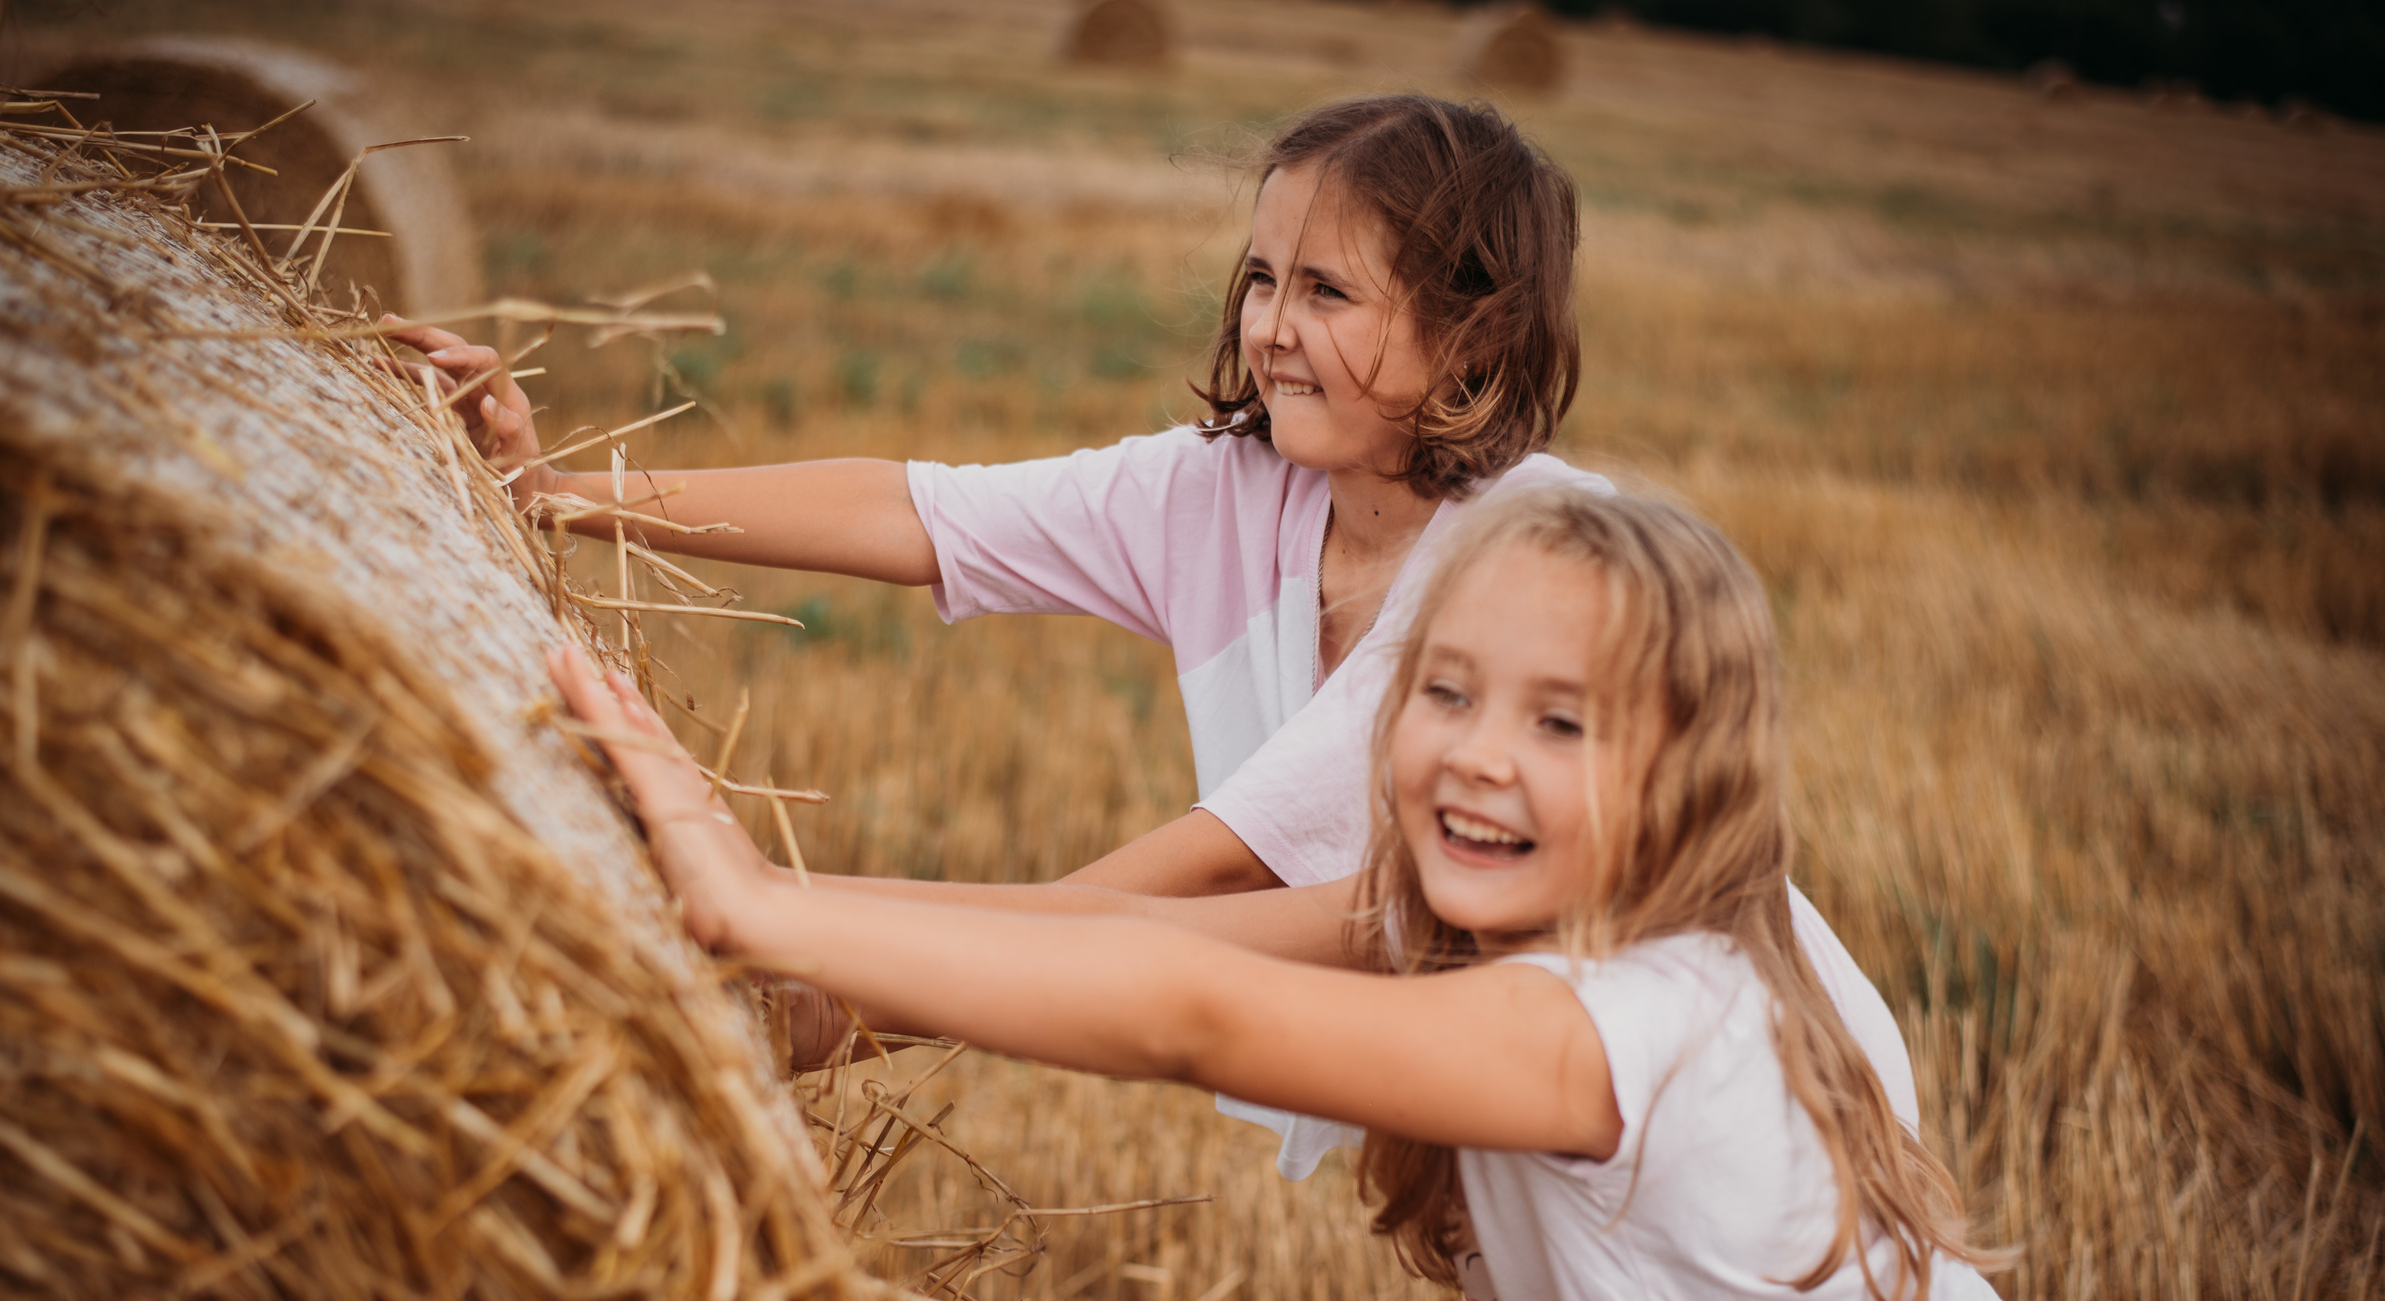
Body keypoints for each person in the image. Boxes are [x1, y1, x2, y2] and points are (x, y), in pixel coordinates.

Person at [548, 486, 2182, 1301]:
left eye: (1562, 721)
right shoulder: (1475, 924)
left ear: (1688, 773)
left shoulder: (1618, 1022)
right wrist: (804, 970)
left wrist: (754, 900)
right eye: (1445, 692)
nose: (1478, 753)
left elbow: (1191, 1014)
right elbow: (1120, 933)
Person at [397, 92, 1907, 1179]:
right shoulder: (1227, 494)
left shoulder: (1525, 573)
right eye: (1263, 278)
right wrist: (554, 496)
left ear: (1475, 338)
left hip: (1749, 1131)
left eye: (1327, 289)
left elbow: (1179, 909)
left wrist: (804, 986)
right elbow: (918, 513)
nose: (1269, 326)